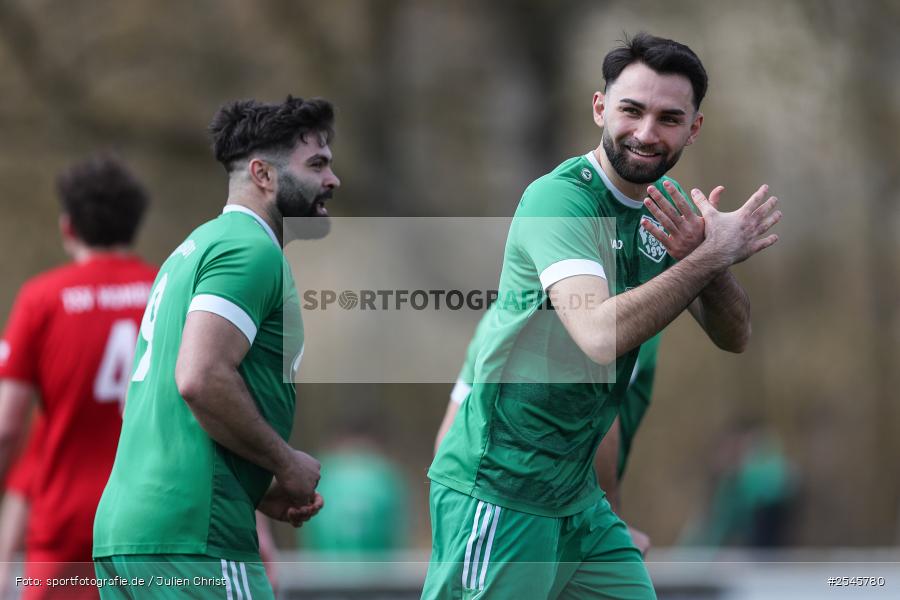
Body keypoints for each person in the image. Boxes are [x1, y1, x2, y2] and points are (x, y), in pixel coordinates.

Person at [423, 32, 781, 600]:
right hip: (500, 492)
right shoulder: (559, 200)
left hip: (577, 505)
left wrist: (709, 263)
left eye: (668, 118)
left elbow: (736, 337)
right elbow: (596, 334)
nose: (645, 133)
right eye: (630, 110)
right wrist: (713, 252)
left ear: (694, 128)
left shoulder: (668, 211)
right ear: (599, 108)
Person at [93, 95, 340, 599]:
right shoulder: (250, 252)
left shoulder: (195, 247)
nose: (332, 181)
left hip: (131, 533)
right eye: (316, 165)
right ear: (263, 175)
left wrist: (259, 486)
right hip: (194, 540)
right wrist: (285, 463)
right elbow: (200, 379)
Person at [0, 156, 156, 599]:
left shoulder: (41, 300)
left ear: (68, 228)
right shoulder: (170, 292)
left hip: (65, 521)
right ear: (135, 225)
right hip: (152, 516)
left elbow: (7, 428)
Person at [435, 312, 661, 555]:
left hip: (498, 513)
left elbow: (448, 438)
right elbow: (590, 414)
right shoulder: (614, 313)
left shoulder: (503, 312)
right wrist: (611, 523)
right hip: (534, 518)